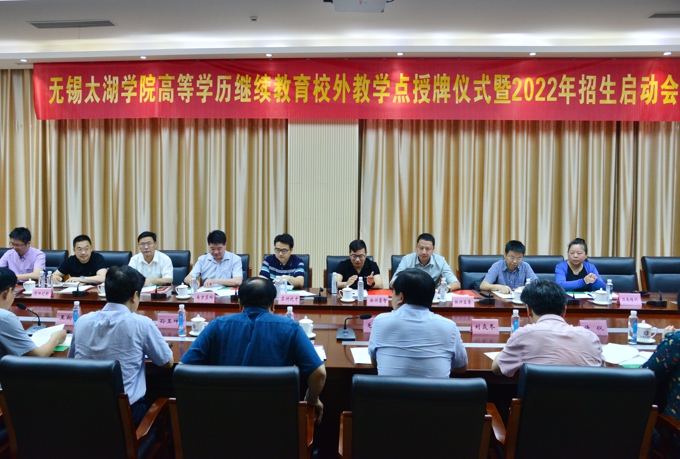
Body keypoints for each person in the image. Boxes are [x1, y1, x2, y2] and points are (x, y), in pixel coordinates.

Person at [180, 277, 326, 423]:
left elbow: (182, 370)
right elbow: (319, 373)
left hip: (221, 422)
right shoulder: (291, 328)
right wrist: (312, 400)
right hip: (276, 424)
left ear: (239, 304)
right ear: (273, 305)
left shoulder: (217, 325)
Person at [68, 266, 173, 426]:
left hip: (85, 414)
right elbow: (167, 362)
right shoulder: (141, 324)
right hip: (128, 417)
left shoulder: (82, 322)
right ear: (135, 296)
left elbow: (72, 362)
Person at [492, 279, 604, 377]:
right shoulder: (590, 338)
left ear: (528, 310)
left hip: (537, 396)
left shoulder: (523, 336)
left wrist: (510, 345)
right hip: (582, 396)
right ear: (564, 311)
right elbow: (602, 373)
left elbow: (497, 369)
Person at [369, 268, 467, 378]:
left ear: (401, 297)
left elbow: (375, 362)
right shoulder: (449, 326)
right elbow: (460, 368)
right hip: (436, 390)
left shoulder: (381, 322)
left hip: (391, 389)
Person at [0, 267, 66, 357]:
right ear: (6, 293)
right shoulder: (5, 318)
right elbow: (38, 355)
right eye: (14, 292)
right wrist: (56, 338)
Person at [391, 233, 461, 291]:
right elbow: (393, 282)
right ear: (416, 247)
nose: (424, 252)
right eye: (421, 248)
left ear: (433, 249)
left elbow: (456, 283)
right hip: (411, 295)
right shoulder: (407, 259)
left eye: (427, 249)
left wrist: (447, 287)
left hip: (432, 297)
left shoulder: (440, 261)